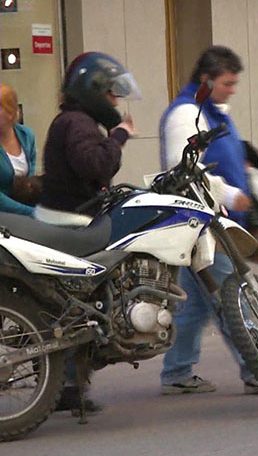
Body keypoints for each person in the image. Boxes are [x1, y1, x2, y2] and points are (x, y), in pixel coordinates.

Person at [38, 51, 140, 413]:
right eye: (111, 93)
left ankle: (72, 381)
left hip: (68, 217)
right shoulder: (78, 123)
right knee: (85, 304)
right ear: (94, 90)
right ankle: (71, 381)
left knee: (80, 300)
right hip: (71, 222)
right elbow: (95, 165)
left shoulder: (73, 121)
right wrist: (120, 136)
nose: (115, 101)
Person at [158, 45, 258, 396]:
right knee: (232, 299)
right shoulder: (186, 115)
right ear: (206, 79)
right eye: (227, 83)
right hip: (203, 224)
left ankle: (177, 371)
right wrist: (230, 195)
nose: (233, 90)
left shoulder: (208, 111)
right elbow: (184, 170)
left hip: (208, 223)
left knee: (195, 305)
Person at [0, 84, 38, 215]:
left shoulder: (27, 135)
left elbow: (30, 181)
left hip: (25, 209)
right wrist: (32, 213)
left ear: (10, 112)